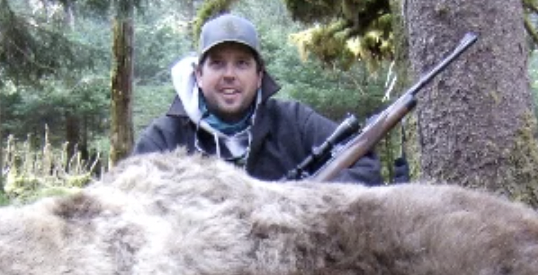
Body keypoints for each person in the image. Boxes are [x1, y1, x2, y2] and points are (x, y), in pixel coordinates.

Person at [134, 13, 382, 185]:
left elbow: (365, 166)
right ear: (198, 74)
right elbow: (129, 200)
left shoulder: (294, 122)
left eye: (241, 64)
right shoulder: (164, 138)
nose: (229, 75)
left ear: (259, 75)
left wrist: (309, 199)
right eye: (218, 64)